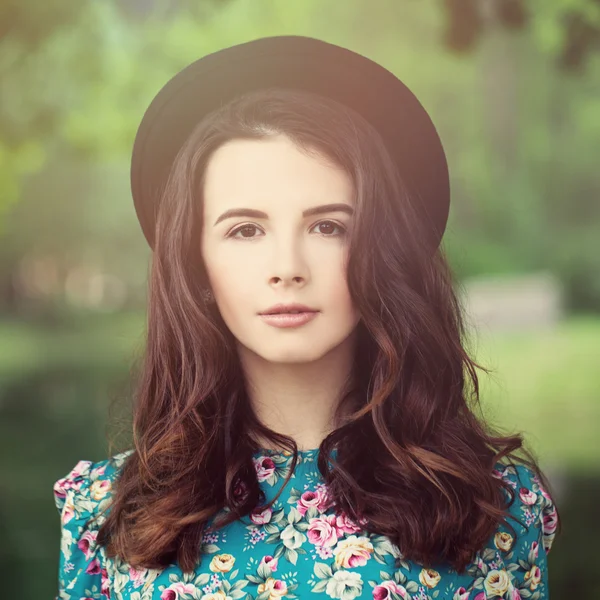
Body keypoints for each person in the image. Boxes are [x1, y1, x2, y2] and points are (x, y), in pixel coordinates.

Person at [53, 36, 560, 600]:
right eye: (245, 230)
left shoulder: (495, 506)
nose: (287, 268)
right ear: (196, 264)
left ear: (379, 251)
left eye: (328, 226)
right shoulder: (104, 510)